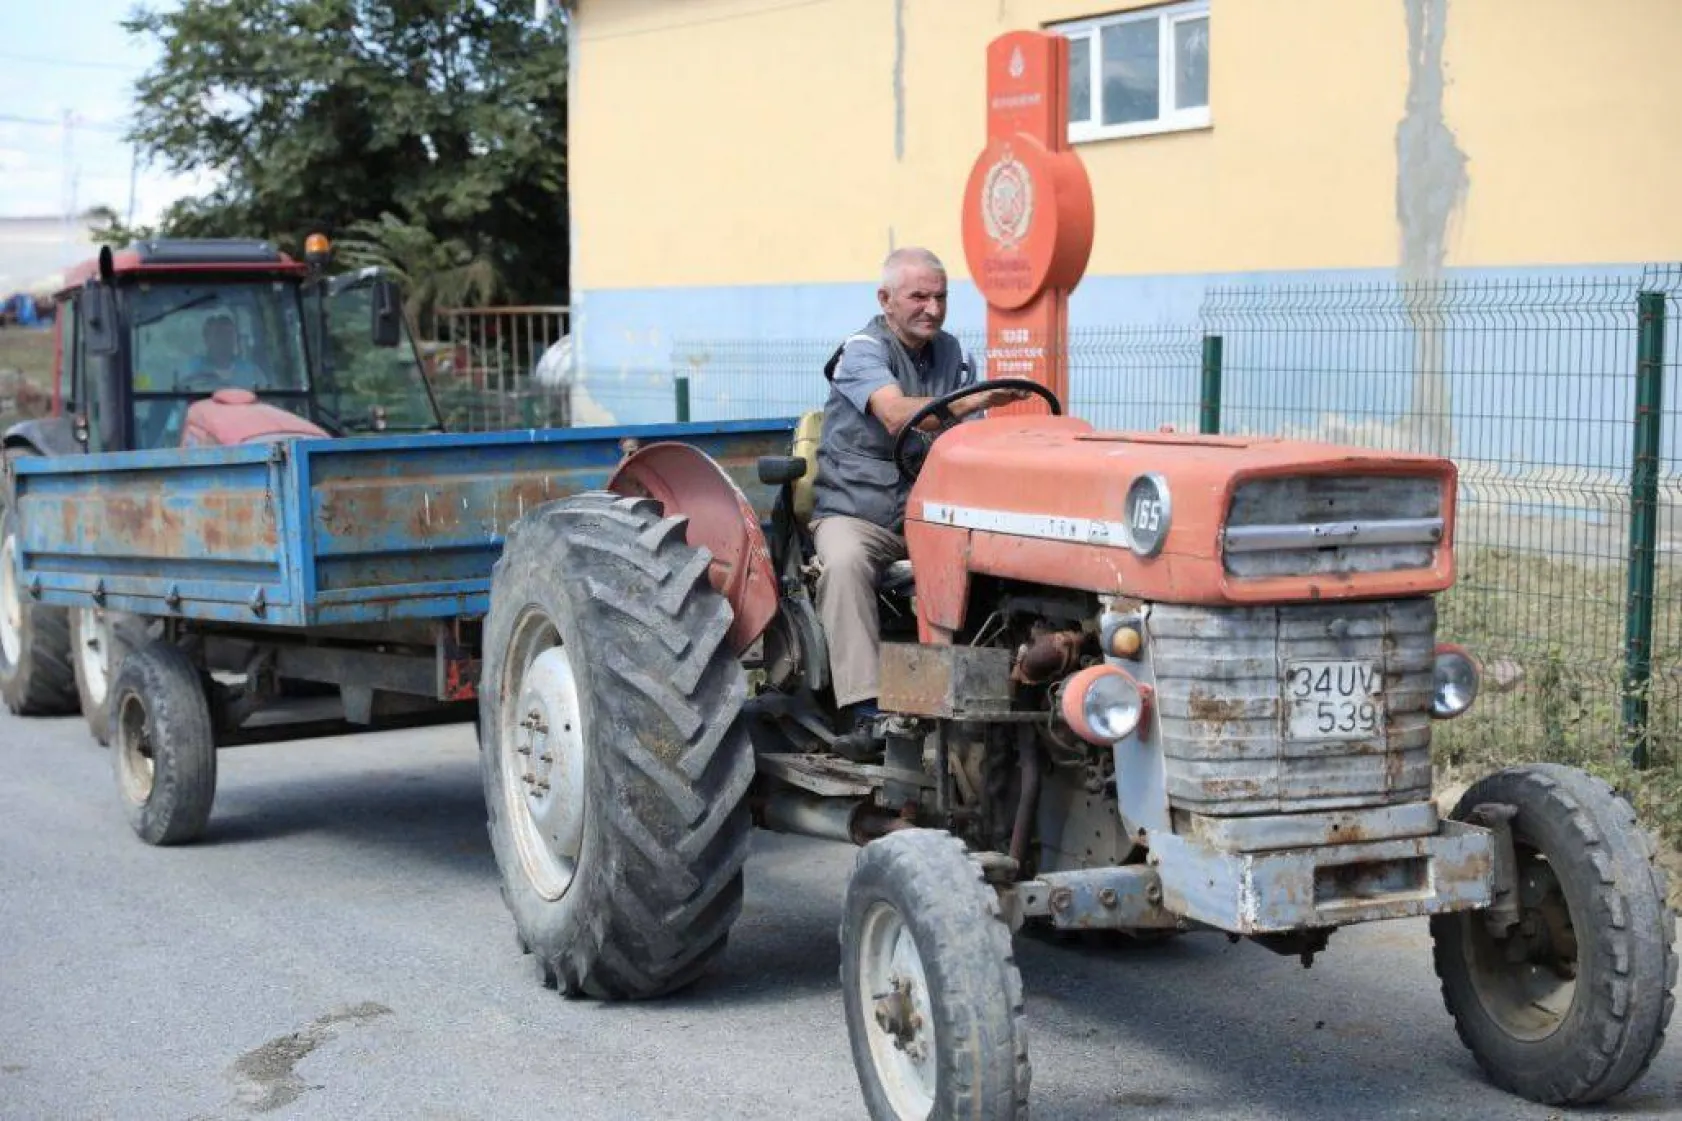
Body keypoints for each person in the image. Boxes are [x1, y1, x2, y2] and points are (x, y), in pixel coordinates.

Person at [810, 247, 1029, 760]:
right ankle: (867, 712)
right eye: (919, 296)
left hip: (929, 514)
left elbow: (970, 443)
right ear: (885, 300)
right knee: (843, 563)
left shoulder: (955, 356)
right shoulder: (861, 351)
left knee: (1001, 559)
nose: (932, 307)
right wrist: (973, 400)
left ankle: (993, 693)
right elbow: (894, 415)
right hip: (858, 512)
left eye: (941, 296)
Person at [182, 313, 264, 389]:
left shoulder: (252, 373)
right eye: (219, 333)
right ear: (206, 339)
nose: (224, 338)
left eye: (229, 333)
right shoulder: (191, 372)